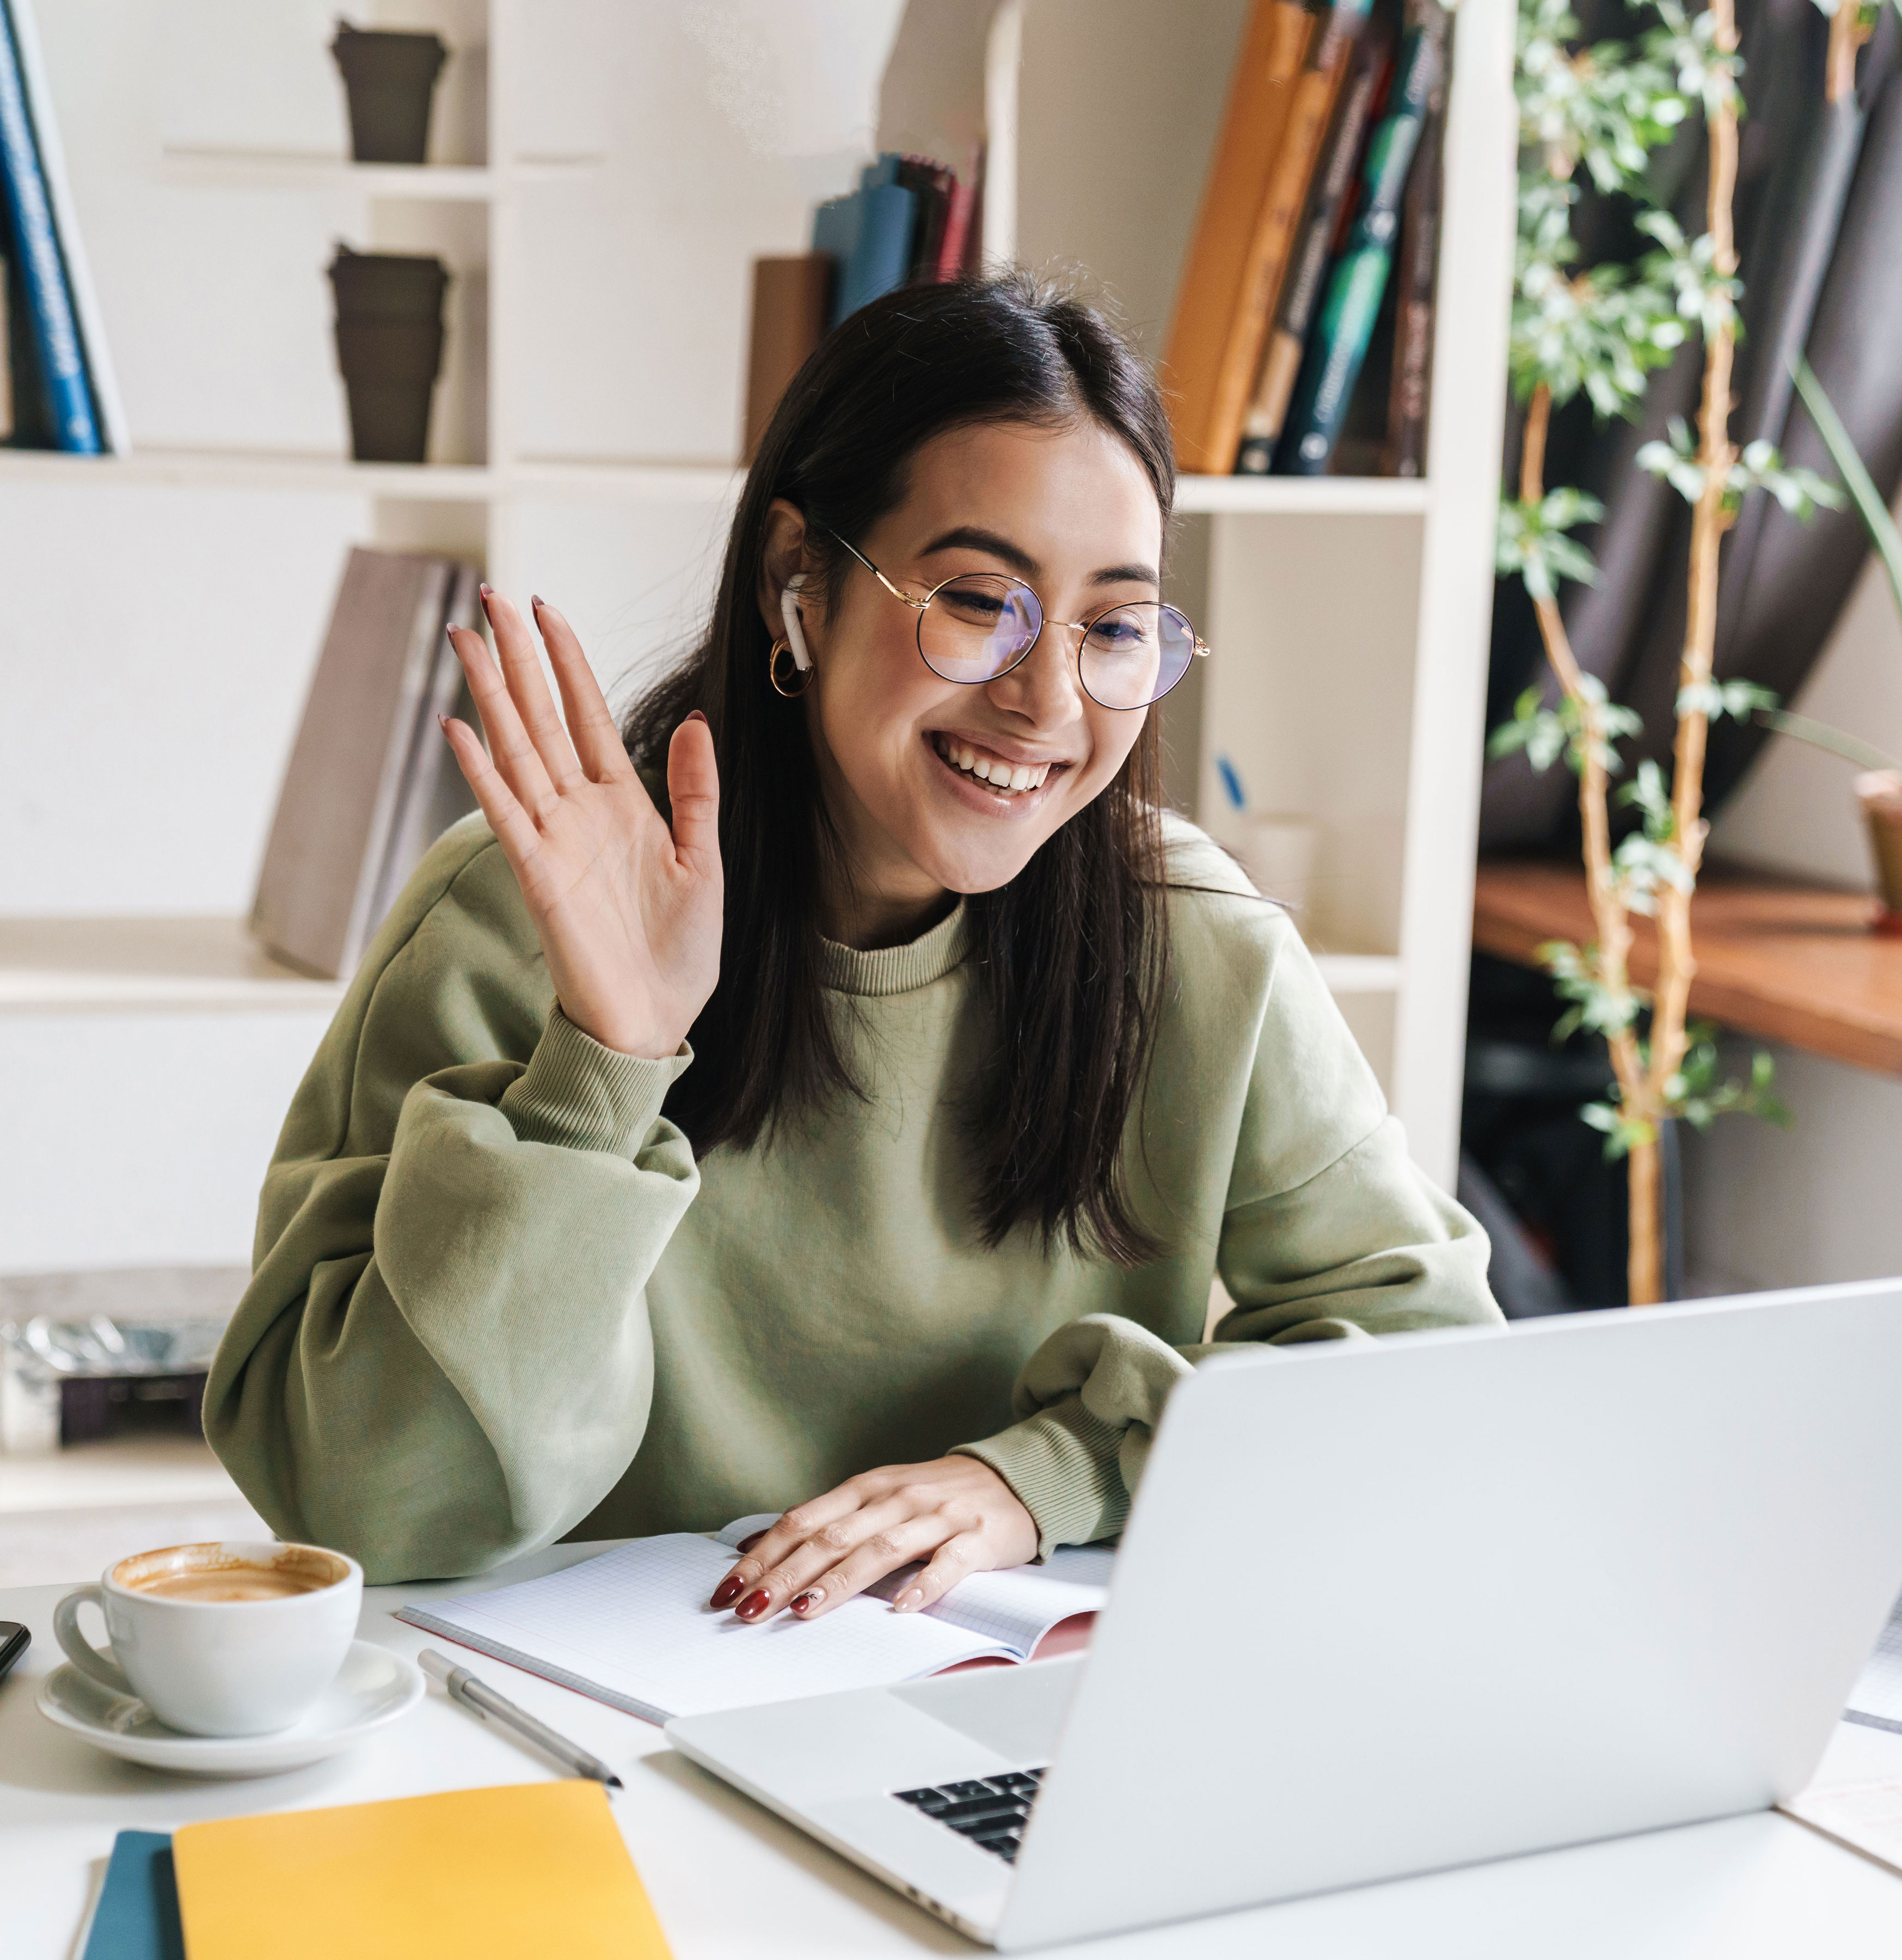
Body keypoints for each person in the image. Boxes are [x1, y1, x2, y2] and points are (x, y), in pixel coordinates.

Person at [205, 273, 1498, 1615]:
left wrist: (1055, 1474)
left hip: (1020, 1712)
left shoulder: (1193, 943)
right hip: (598, 1738)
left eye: (1114, 627)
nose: (1046, 699)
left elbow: (1433, 1373)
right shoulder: (514, 914)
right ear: (800, 586)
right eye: (977, 598)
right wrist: (608, 1062)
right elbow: (363, 1505)